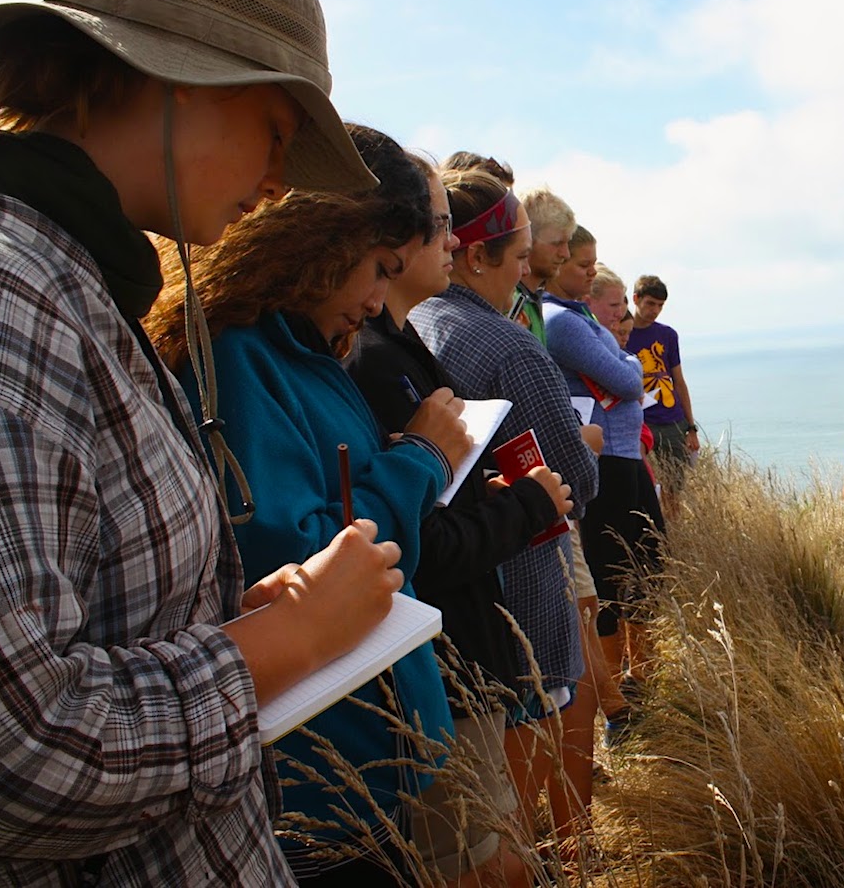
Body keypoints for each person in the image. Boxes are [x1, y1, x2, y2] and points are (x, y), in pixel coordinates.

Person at [0, 0, 403, 884]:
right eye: (277, 132)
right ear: (175, 75)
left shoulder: (74, 283)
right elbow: (6, 749)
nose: (282, 179)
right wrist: (279, 644)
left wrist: (226, 622)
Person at [147, 122, 473, 884]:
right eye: (379, 268)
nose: (376, 300)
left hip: (365, 756)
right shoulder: (235, 356)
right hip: (323, 779)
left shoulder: (293, 352)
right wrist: (420, 461)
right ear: (317, 239)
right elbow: (300, 556)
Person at [342, 145, 573, 886]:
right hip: (445, 658)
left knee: (496, 843)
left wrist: (490, 497)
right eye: (439, 225)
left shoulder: (408, 339)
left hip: (450, 652)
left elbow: (432, 508)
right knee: (485, 859)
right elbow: (422, 542)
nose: (450, 241)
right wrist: (532, 502)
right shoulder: (378, 358)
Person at [409, 168, 600, 850]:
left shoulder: (411, 322)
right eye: (519, 258)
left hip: (446, 601)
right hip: (518, 588)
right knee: (508, 818)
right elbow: (575, 478)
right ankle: (563, 855)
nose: (525, 277)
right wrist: (587, 444)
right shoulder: (509, 346)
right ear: (475, 253)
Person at [547, 263, 662, 696]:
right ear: (591, 301)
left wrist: (622, 356)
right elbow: (630, 381)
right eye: (613, 304)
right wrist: (627, 359)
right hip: (608, 464)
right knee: (612, 573)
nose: (621, 313)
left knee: (647, 566)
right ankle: (617, 686)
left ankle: (641, 675)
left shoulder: (588, 327)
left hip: (626, 460)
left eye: (621, 304)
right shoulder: (567, 324)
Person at [627, 274, 700, 498]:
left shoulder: (667, 335)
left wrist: (691, 427)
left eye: (660, 306)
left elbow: (678, 380)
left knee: (674, 488)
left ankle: (670, 531)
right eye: (650, 304)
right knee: (641, 486)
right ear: (636, 298)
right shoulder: (622, 333)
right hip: (641, 421)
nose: (655, 311)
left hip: (671, 421)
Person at [515, 187, 576, 344]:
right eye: (557, 243)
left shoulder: (531, 298)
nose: (565, 254)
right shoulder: (510, 302)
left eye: (567, 243)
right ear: (526, 241)